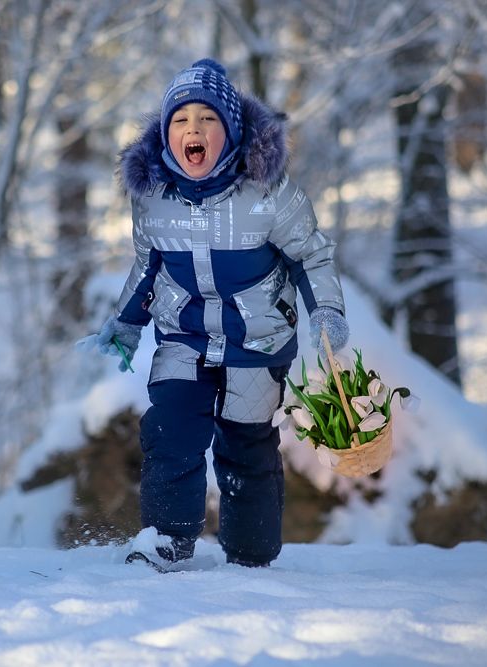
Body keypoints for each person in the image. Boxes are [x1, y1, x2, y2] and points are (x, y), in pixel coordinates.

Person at [91, 58, 349, 569]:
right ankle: (166, 539)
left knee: (245, 445)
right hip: (183, 337)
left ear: (230, 131)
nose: (194, 130)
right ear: (166, 136)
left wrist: (326, 313)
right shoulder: (154, 200)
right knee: (169, 430)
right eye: (181, 121)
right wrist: (126, 320)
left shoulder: (269, 194)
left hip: (257, 342)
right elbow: (147, 265)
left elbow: (310, 255)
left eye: (207, 120)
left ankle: (251, 555)